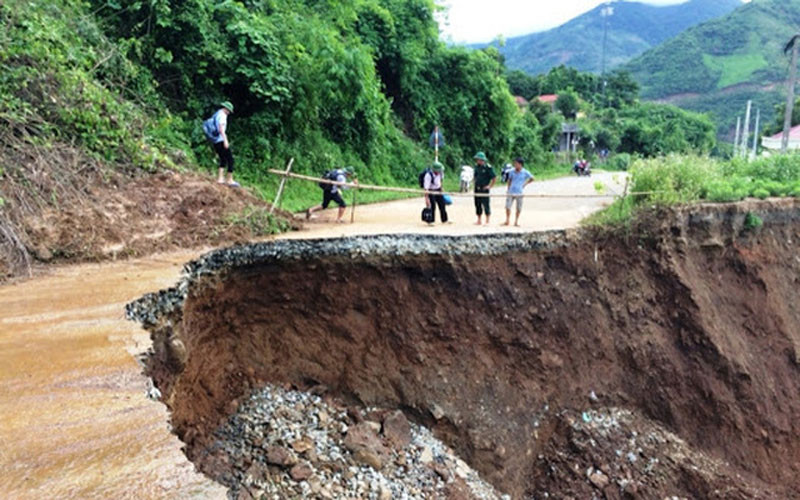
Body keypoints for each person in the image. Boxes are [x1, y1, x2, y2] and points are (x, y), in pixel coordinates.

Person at [204, 101, 239, 187]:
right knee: (230, 159)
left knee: (223, 159)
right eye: (229, 111)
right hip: (221, 140)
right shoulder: (223, 116)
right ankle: (229, 180)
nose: (229, 113)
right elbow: (221, 129)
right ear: (226, 109)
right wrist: (225, 140)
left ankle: (220, 178)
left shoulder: (217, 114)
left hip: (215, 140)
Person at [503, 157, 535, 227]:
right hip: (511, 191)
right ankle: (507, 220)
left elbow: (532, 178)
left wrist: (524, 184)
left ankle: (516, 221)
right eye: (514, 163)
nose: (515, 165)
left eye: (516, 163)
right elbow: (509, 180)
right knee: (508, 206)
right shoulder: (511, 171)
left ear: (520, 164)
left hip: (519, 192)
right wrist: (508, 189)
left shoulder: (525, 172)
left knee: (518, 208)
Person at [472, 151, 496, 225]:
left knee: (486, 204)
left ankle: (487, 220)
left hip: (484, 188)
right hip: (477, 188)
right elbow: (475, 176)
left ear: (482, 160)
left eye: (478, 159)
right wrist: (474, 182)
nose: (477, 161)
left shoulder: (488, 167)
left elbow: (494, 177)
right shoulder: (476, 167)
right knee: (477, 204)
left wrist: (490, 186)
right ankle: (479, 220)